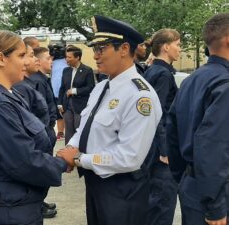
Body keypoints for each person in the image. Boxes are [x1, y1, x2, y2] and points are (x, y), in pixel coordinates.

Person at [57, 15, 162, 225]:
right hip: (96, 182)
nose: (95, 56)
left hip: (122, 191)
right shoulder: (102, 87)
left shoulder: (140, 96)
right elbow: (85, 128)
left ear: (124, 49)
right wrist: (67, 150)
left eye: (101, 49)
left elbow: (129, 157)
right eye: (94, 49)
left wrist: (78, 159)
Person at [0, 30, 67, 225]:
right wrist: (62, 162)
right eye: (22, 55)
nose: (27, 62)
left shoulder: (9, 95)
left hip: (21, 201)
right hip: (11, 209)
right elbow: (24, 161)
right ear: (0, 58)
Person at [166, 13, 229, 225]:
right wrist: (216, 205)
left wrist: (183, 178)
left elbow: (171, 133)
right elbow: (213, 145)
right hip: (218, 194)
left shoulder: (193, 79)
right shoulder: (225, 83)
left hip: (193, 185)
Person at [14, 44, 58, 218]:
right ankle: (36, 203)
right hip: (40, 135)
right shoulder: (30, 83)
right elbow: (31, 115)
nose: (35, 61)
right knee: (38, 173)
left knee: (41, 175)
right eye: (29, 55)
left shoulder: (38, 80)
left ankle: (38, 202)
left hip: (45, 132)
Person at [143, 28, 181, 225]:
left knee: (154, 201)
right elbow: (157, 114)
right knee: (162, 204)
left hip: (152, 146)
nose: (180, 49)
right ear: (166, 47)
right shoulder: (163, 74)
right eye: (178, 44)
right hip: (161, 151)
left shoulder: (153, 70)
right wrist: (165, 150)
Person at [58, 46, 95, 144]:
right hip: (67, 106)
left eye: (69, 57)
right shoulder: (66, 70)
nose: (67, 59)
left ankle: (79, 152)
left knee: (79, 129)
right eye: (66, 57)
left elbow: (91, 87)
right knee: (69, 131)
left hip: (80, 106)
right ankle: (68, 152)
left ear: (77, 57)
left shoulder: (87, 70)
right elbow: (62, 88)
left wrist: (75, 91)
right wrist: (59, 104)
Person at [28, 47, 58, 149]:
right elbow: (41, 110)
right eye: (48, 59)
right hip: (44, 129)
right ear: (38, 61)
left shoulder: (42, 79)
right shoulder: (38, 81)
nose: (51, 62)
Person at [49, 43, 68, 140]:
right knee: (58, 114)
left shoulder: (67, 61)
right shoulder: (52, 62)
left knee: (66, 112)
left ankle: (69, 130)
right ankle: (60, 132)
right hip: (55, 90)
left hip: (65, 91)